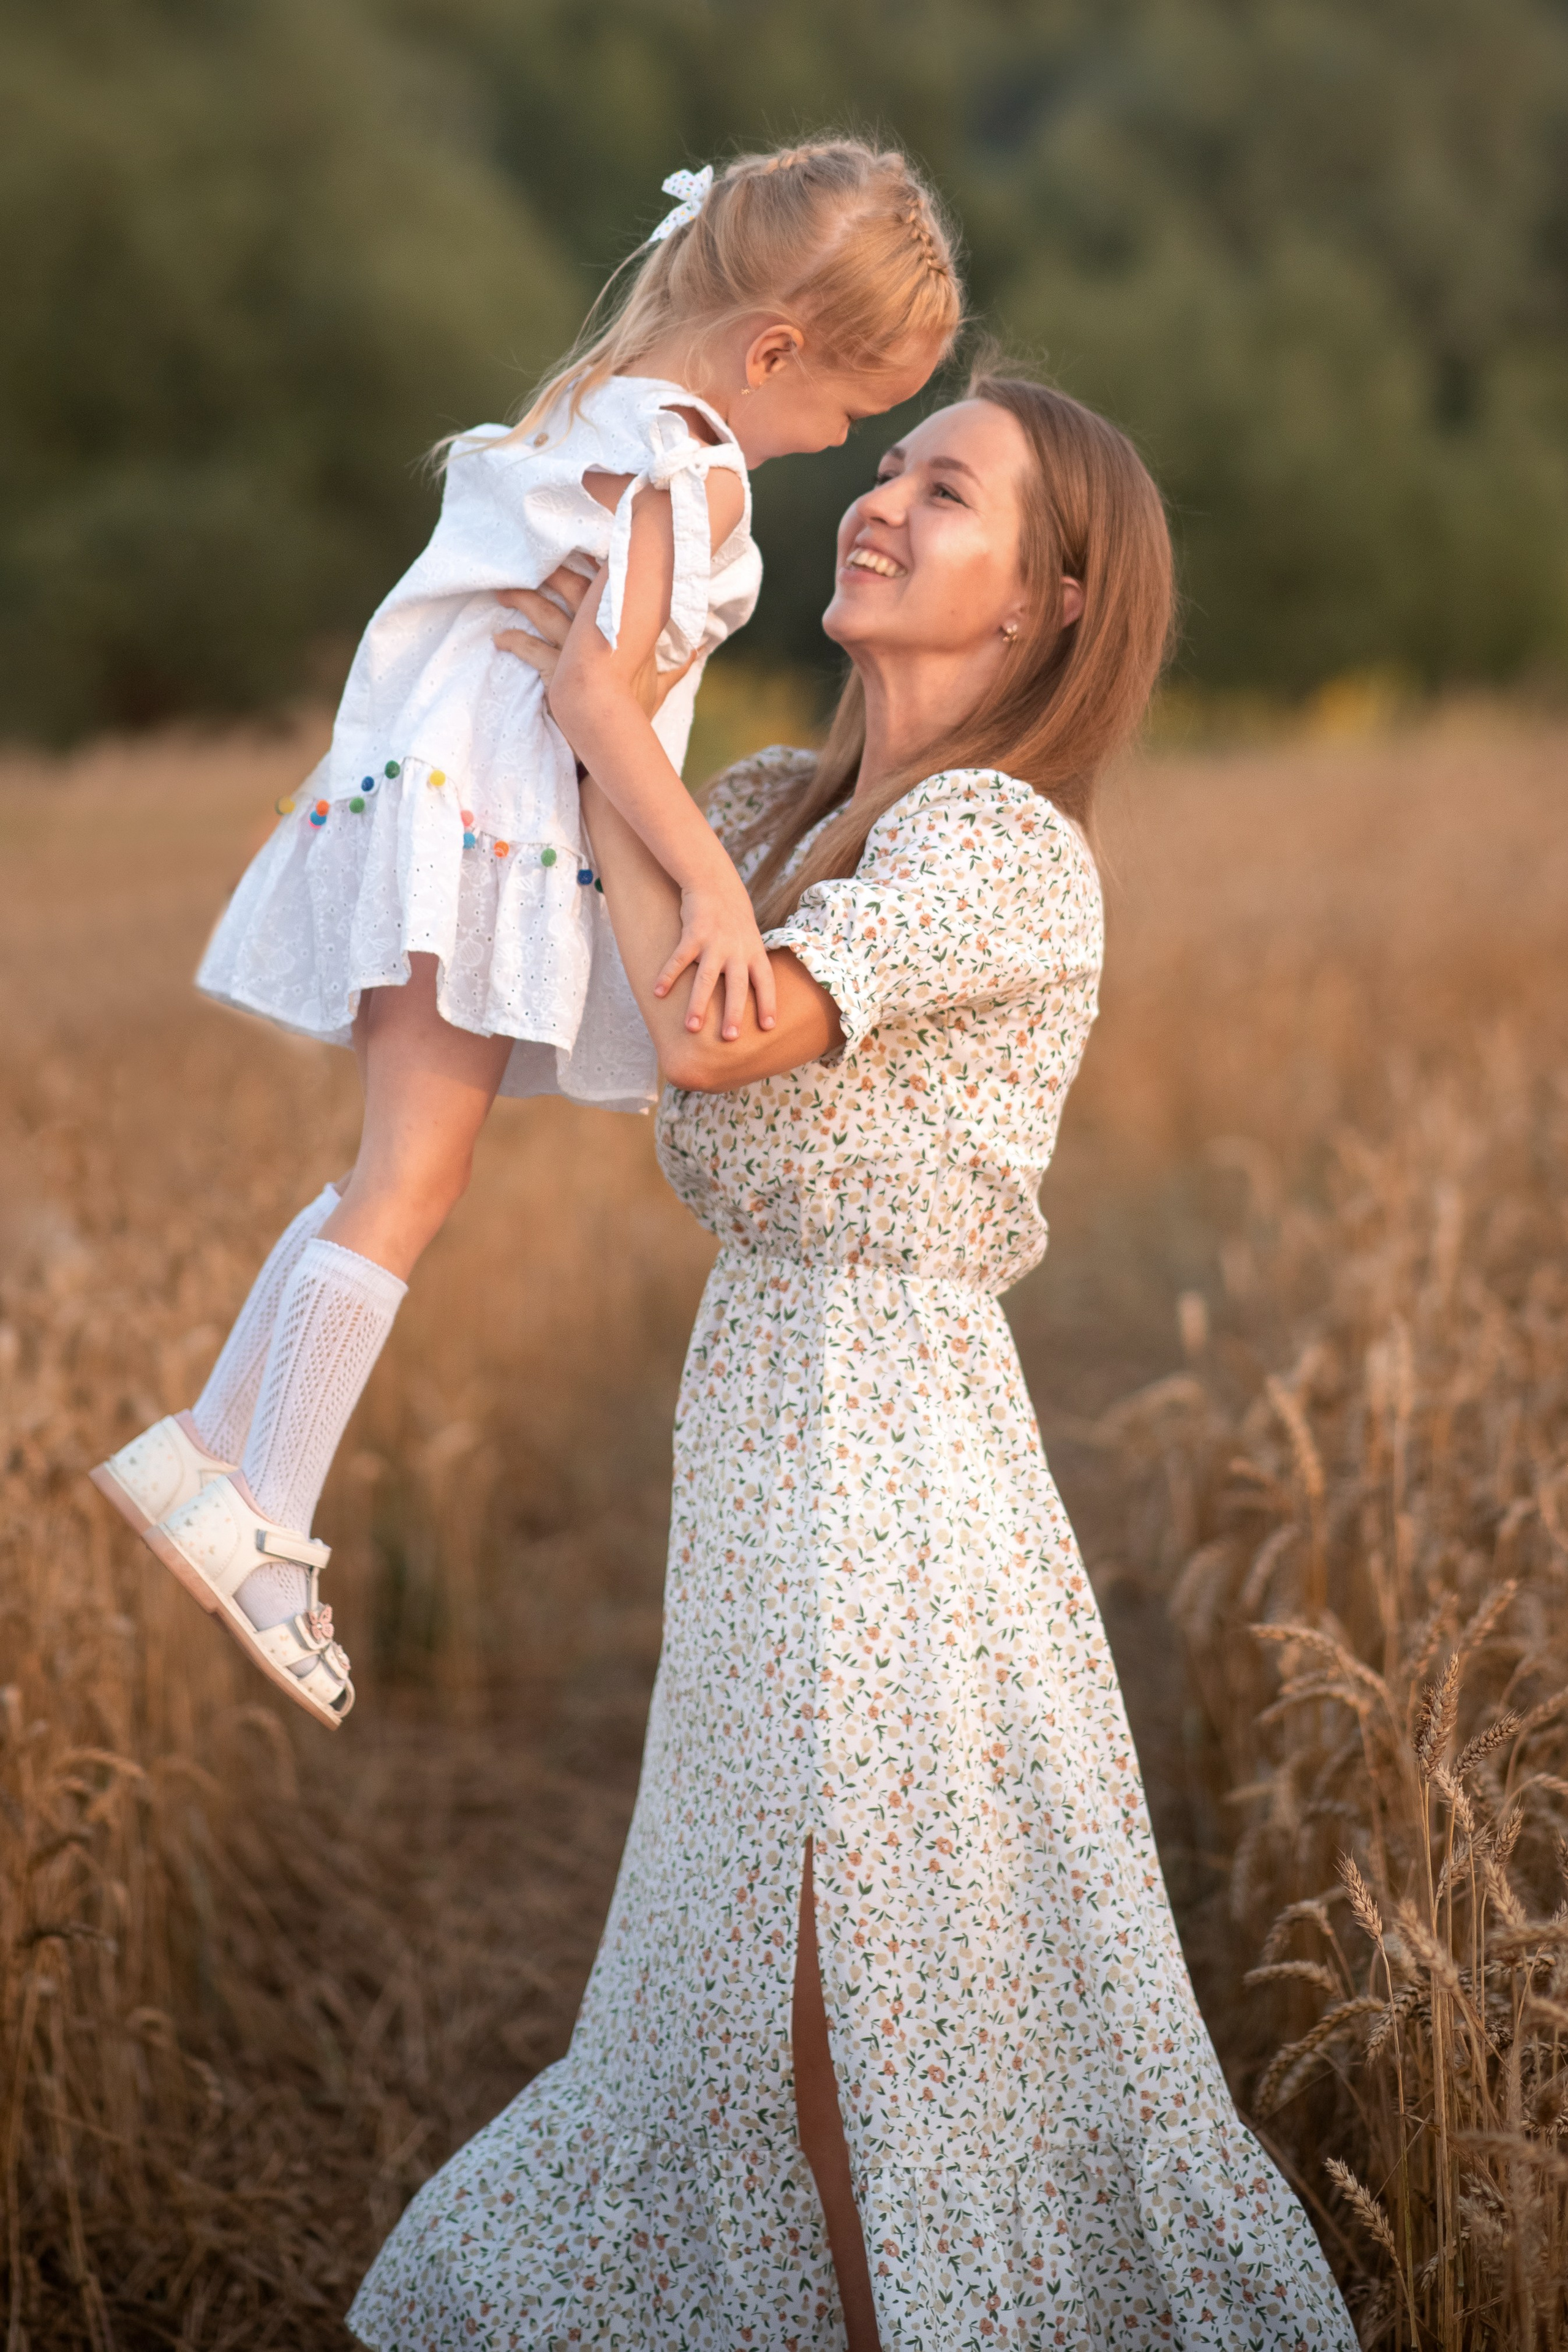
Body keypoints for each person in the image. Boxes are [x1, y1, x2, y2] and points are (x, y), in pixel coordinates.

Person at [346, 374, 1357, 2350]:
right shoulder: (769, 817)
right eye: (891, 462)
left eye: (947, 490)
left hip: (888, 1447)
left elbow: (722, 1032)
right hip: (763, 1422)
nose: (881, 500)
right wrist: (593, 699)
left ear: (1049, 599)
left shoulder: (1000, 847)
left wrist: (609, 731)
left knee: (857, 2020)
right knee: (770, 2015)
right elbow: (636, 998)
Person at [86, 141, 959, 1731]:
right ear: (775, 353)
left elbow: (563, 668)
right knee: (416, 1178)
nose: (843, 444)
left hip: (425, 804)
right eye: (848, 413)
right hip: (480, 828)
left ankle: (212, 1450)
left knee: (387, 1167)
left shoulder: (605, 408)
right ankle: (259, 1518)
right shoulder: (696, 461)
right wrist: (704, 874)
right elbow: (588, 697)